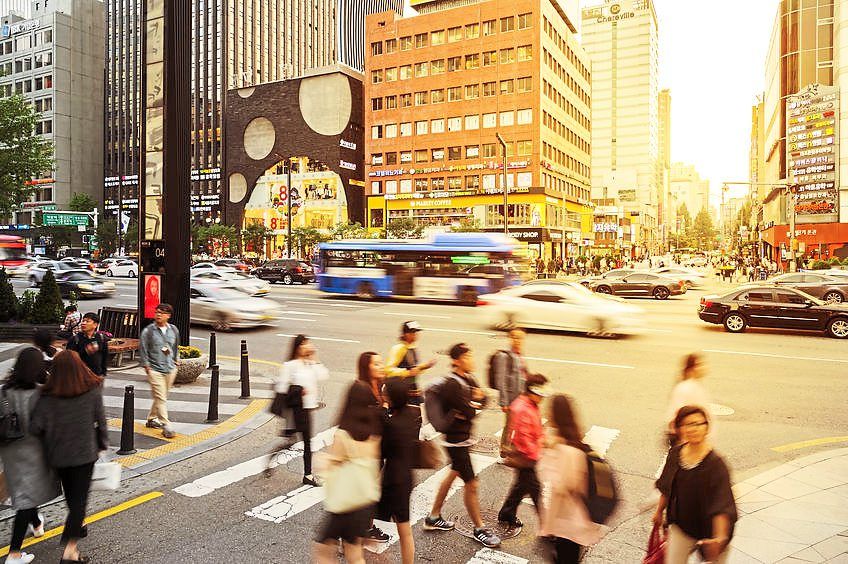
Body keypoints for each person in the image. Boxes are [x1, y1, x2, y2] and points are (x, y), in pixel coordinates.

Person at [30, 350, 108, 564]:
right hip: (85, 453)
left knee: (72, 497)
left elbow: (36, 427)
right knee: (79, 501)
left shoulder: (46, 395)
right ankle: (69, 550)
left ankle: (76, 526)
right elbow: (101, 422)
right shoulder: (92, 390)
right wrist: (102, 444)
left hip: (58, 456)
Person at [425, 343, 501, 548]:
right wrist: (471, 404)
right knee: (472, 484)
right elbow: (469, 411)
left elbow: (483, 400)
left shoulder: (468, 378)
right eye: (468, 356)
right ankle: (479, 528)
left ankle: (433, 517)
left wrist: (474, 403)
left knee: (453, 474)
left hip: (463, 437)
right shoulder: (453, 384)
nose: (472, 359)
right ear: (457, 360)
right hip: (455, 441)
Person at [654, 406, 737, 563]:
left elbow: (722, 505)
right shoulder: (675, 454)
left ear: (707, 427)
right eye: (688, 424)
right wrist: (659, 512)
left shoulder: (716, 465)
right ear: (680, 429)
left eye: (698, 424)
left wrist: (719, 538)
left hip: (711, 532)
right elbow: (667, 486)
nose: (693, 429)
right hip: (682, 525)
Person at [314, 379, 383, 564]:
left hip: (345, 504)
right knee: (354, 553)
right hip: (365, 502)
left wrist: (322, 461)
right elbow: (374, 466)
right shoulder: (374, 432)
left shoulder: (343, 434)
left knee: (323, 550)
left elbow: (333, 465)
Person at [0, 348, 59, 564]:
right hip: (34, 451)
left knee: (26, 491)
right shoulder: (40, 392)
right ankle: (14, 554)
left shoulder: (4, 390)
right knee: (26, 497)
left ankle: (36, 523)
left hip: (9, 450)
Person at [538, 394, 603, 563]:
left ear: (555, 416)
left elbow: (560, 486)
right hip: (571, 522)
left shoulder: (567, 450)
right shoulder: (573, 443)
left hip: (570, 523)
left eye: (549, 412)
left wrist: (549, 453)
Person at [274, 334, 329, 487]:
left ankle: (307, 474)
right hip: (296, 410)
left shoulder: (309, 364)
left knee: (302, 442)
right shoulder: (290, 365)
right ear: (298, 347)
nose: (309, 346)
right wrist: (298, 389)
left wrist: (313, 358)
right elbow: (281, 387)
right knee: (304, 442)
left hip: (308, 409)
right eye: (306, 344)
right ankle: (308, 475)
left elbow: (324, 375)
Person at [376, 379, 421, 564]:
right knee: (404, 529)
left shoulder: (389, 422)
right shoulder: (415, 413)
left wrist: (384, 411)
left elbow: (382, 451)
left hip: (392, 481)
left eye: (386, 393)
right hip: (406, 477)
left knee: (362, 512)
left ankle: (349, 545)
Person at [497, 373, 548, 528]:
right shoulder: (522, 408)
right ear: (532, 391)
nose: (543, 397)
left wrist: (542, 440)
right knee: (536, 491)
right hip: (526, 456)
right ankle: (548, 528)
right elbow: (523, 438)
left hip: (529, 454)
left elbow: (535, 429)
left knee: (521, 487)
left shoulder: (531, 405)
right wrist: (536, 454)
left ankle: (506, 513)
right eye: (541, 394)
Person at [357, 351, 391, 543]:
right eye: (376, 364)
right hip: (365, 449)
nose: (381, 366)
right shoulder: (362, 390)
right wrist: (385, 407)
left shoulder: (378, 385)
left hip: (376, 448)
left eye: (381, 362)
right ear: (366, 367)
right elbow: (378, 419)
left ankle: (363, 526)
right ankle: (363, 528)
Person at [139, 302, 180, 439]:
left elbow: (175, 346)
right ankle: (166, 425)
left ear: (168, 316)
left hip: (170, 368)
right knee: (161, 397)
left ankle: (151, 419)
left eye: (161, 313)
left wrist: (176, 360)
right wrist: (146, 366)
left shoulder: (173, 329)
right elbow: (143, 349)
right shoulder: (148, 331)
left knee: (161, 396)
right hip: (154, 369)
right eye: (157, 312)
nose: (158, 315)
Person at [492, 329, 528, 456]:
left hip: (520, 397)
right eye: (515, 338)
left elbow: (521, 375)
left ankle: (513, 447)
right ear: (510, 338)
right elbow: (500, 379)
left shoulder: (518, 354)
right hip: (511, 398)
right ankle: (503, 450)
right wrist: (504, 402)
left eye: (520, 338)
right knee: (509, 426)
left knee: (518, 424)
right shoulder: (505, 356)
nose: (518, 341)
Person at [666, 353, 713, 446]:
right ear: (692, 369)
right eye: (700, 364)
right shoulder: (685, 388)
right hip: (688, 440)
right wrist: (685, 442)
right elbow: (676, 416)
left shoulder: (696, 386)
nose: (704, 367)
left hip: (695, 440)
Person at [385, 321, 436, 405]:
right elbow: (388, 370)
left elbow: (413, 368)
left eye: (416, 332)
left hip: (413, 390)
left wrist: (425, 366)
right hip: (403, 392)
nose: (416, 334)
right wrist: (407, 372)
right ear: (406, 334)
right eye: (413, 332)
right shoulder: (399, 349)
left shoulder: (412, 347)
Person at [65, 312, 109, 377]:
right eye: (83, 321)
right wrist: (86, 350)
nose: (83, 323)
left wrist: (103, 373)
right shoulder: (75, 339)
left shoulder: (101, 338)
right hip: (79, 375)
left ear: (95, 325)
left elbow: (104, 356)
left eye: (87, 321)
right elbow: (69, 358)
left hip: (96, 375)